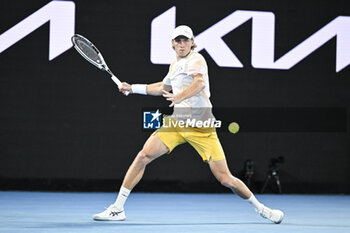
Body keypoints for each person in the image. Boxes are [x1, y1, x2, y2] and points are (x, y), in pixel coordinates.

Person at [93, 25, 284, 224]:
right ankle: (117, 208)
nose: (182, 44)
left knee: (225, 179)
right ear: (172, 44)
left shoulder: (196, 59)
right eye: (178, 41)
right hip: (177, 122)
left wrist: (179, 96)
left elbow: (199, 83)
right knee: (143, 155)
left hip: (202, 128)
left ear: (192, 42)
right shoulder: (175, 65)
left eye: (186, 40)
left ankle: (262, 209)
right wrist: (132, 88)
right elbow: (161, 87)